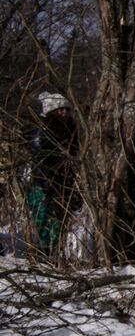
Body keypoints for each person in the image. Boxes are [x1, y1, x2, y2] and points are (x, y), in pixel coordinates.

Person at [25, 92, 81, 254]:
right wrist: (46, 180)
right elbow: (39, 156)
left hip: (63, 181)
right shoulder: (41, 130)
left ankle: (55, 249)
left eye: (66, 109)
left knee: (58, 218)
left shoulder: (71, 130)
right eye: (59, 109)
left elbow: (73, 156)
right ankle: (43, 248)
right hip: (41, 181)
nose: (64, 113)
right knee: (42, 216)